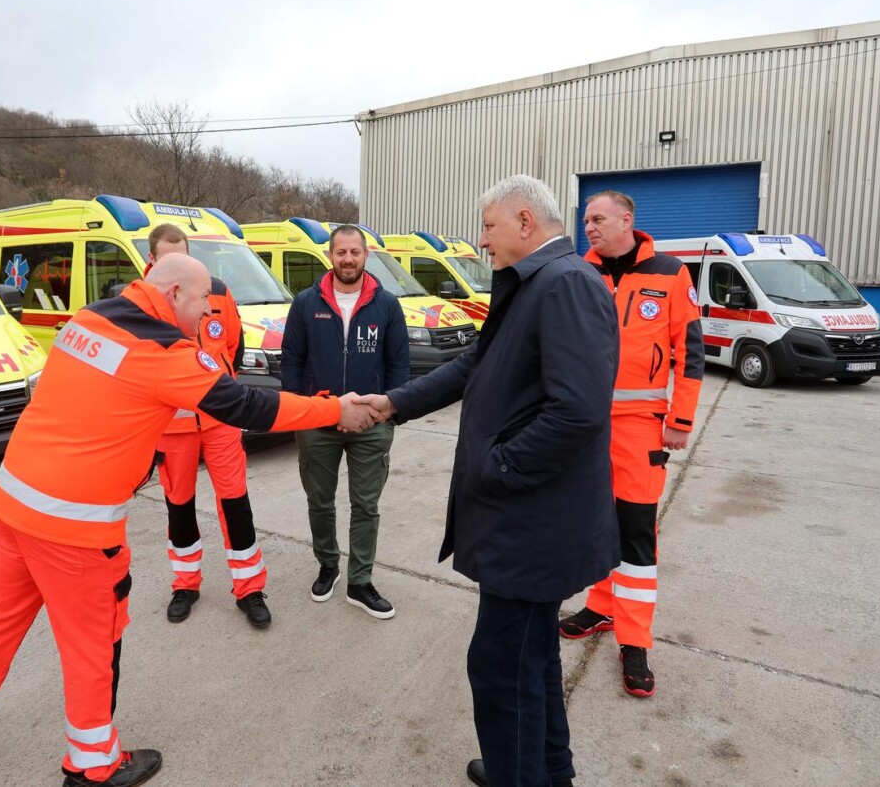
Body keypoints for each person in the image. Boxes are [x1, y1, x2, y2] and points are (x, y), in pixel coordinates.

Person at [0, 253, 375, 787]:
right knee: (92, 647)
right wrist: (333, 410)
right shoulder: (162, 351)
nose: (206, 315)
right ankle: (93, 765)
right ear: (174, 294)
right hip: (74, 529)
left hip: (13, 504)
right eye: (202, 303)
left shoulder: (86, 319)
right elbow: (246, 407)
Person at [361, 175, 619, 787]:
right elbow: (476, 363)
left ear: (525, 221)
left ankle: (518, 774)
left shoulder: (565, 286)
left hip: (534, 522)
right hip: (528, 520)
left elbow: (578, 411)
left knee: (503, 670)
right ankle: (546, 771)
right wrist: (394, 402)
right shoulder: (533, 285)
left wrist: (498, 465)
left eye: (489, 227)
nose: (481, 241)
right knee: (530, 660)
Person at [558, 190, 703, 698]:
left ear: (627, 220)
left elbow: (691, 351)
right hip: (583, 424)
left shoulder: (670, 273)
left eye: (597, 218)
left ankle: (635, 640)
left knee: (636, 531)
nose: (589, 227)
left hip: (642, 427)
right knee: (594, 520)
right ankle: (600, 605)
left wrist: (681, 418)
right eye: (585, 220)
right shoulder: (578, 273)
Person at [145, 224, 271, 628]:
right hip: (172, 429)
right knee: (178, 507)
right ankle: (185, 583)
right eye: (167, 260)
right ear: (152, 262)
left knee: (236, 504)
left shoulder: (216, 291)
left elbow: (232, 347)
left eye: (184, 257)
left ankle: (249, 589)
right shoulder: (143, 302)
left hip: (220, 424)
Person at [281, 224, 410, 619]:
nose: (348, 259)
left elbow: (398, 366)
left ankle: (360, 580)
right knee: (319, 501)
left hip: (370, 426)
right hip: (317, 423)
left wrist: (386, 414)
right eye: (341, 252)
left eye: (355, 252)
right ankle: (328, 565)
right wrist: (303, 411)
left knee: (366, 505)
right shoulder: (305, 303)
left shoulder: (387, 305)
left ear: (365, 255)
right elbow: (292, 362)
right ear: (330, 254)